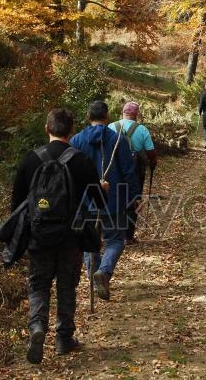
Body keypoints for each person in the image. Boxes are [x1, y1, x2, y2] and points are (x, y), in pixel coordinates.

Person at [11, 108, 107, 364]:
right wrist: (104, 188)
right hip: (70, 236)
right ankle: (64, 338)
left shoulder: (30, 159)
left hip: (38, 236)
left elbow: (16, 205)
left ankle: (37, 327)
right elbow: (99, 202)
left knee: (39, 284)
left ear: (47, 128)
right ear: (71, 131)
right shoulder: (81, 160)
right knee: (66, 286)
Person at [71, 101, 142, 301]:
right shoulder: (118, 140)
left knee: (89, 243)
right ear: (107, 117)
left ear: (88, 117)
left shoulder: (76, 140)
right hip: (113, 201)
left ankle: (94, 277)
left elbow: (71, 172)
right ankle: (103, 271)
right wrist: (135, 196)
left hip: (85, 201)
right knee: (115, 240)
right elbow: (129, 171)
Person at [109, 102, 158, 245]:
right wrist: (153, 163)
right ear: (136, 115)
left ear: (123, 112)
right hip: (135, 169)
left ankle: (113, 233)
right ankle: (128, 236)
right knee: (133, 199)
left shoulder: (111, 127)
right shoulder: (142, 129)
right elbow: (150, 152)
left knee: (114, 197)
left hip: (114, 169)